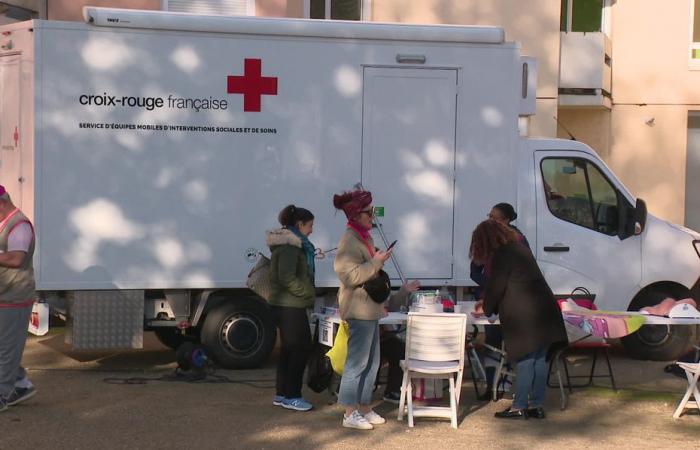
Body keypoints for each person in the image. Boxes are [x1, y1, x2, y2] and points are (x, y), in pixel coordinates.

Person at [332, 189, 417, 430]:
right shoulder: (350, 239)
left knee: (372, 362)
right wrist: (377, 261)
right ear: (357, 215)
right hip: (358, 310)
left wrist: (377, 259)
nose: (373, 216)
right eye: (369, 212)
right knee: (357, 362)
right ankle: (349, 412)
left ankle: (364, 407)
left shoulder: (362, 236)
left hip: (370, 309)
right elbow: (349, 276)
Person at [470, 220, 566, 419]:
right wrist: (487, 302)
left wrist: (486, 307)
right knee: (539, 359)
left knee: (526, 359)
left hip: (525, 316)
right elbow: (515, 282)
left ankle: (519, 405)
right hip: (545, 310)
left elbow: (498, 286)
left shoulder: (502, 255)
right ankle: (536, 405)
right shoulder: (519, 249)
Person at [469, 202, 530, 400]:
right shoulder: (487, 238)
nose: (490, 220)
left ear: (506, 220)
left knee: (512, 342)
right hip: (490, 297)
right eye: (489, 215)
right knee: (492, 342)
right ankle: (491, 386)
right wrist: (492, 286)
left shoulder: (518, 240)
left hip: (512, 299)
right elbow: (474, 271)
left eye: (494, 217)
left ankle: (506, 385)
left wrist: (502, 286)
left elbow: (524, 270)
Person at [267, 205, 317, 412]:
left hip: (287, 304)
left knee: (289, 349)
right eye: (310, 225)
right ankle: (293, 395)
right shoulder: (290, 246)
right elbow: (285, 276)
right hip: (290, 305)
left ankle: (282, 393)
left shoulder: (292, 244)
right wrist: (305, 291)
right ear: (300, 224)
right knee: (300, 348)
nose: (312, 230)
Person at [0, 185, 38, 412]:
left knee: (5, 349)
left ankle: (2, 394)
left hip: (14, 297)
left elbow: (16, 259)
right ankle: (21, 384)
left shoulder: (19, 226)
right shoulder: (4, 223)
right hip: (4, 294)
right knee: (6, 347)